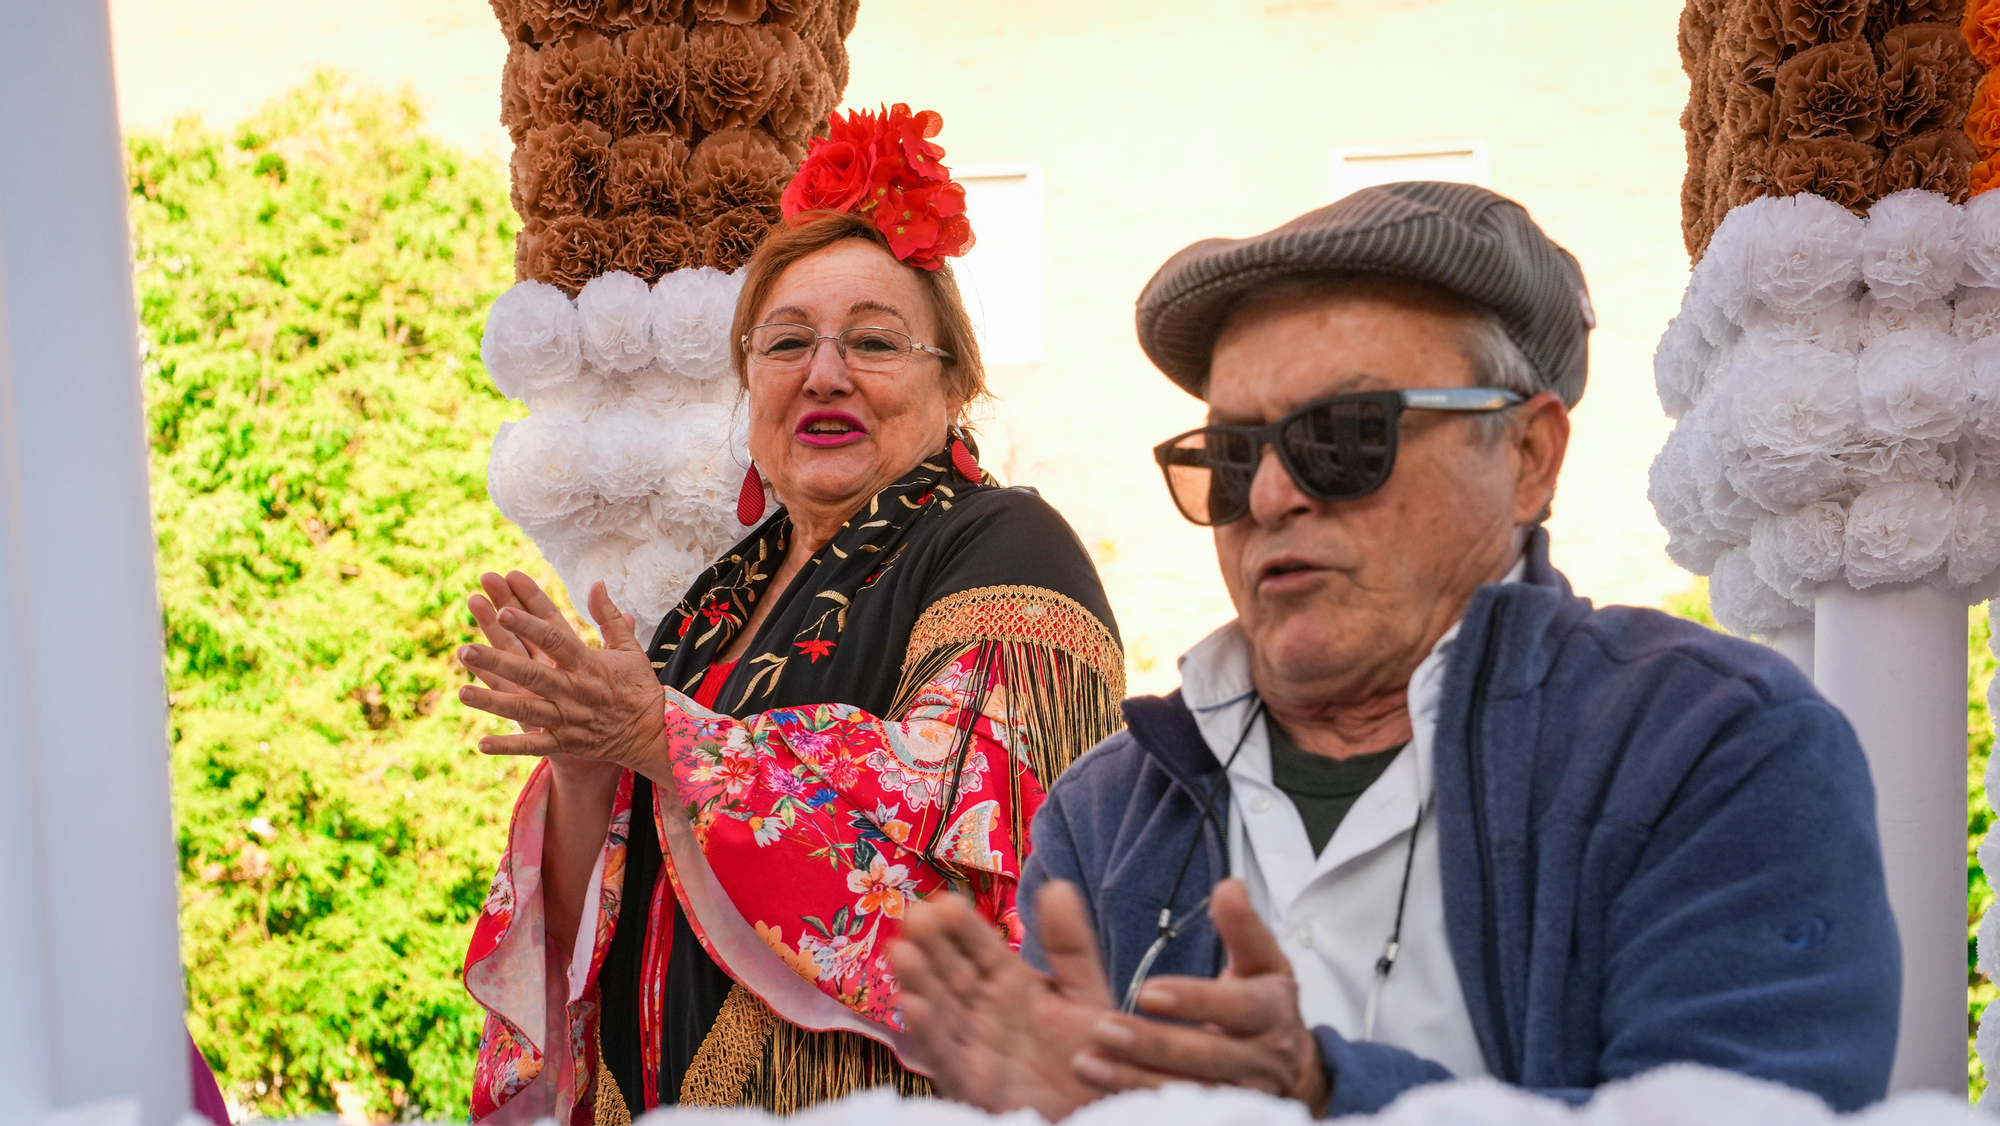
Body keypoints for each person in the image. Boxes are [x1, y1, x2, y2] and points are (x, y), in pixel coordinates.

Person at [890, 181, 1900, 1119]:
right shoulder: (1107, 810)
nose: (1275, 495)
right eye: (1231, 457)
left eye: (1341, 436)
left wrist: (1321, 1093)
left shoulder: (1707, 746)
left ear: (1526, 457)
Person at [455, 107, 1125, 1122]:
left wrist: (659, 736)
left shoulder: (1004, 546)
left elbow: (976, 857)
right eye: (784, 343)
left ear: (955, 385)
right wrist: (588, 773)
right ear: (750, 389)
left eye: (872, 340)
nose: (823, 372)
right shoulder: (711, 608)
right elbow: (609, 892)